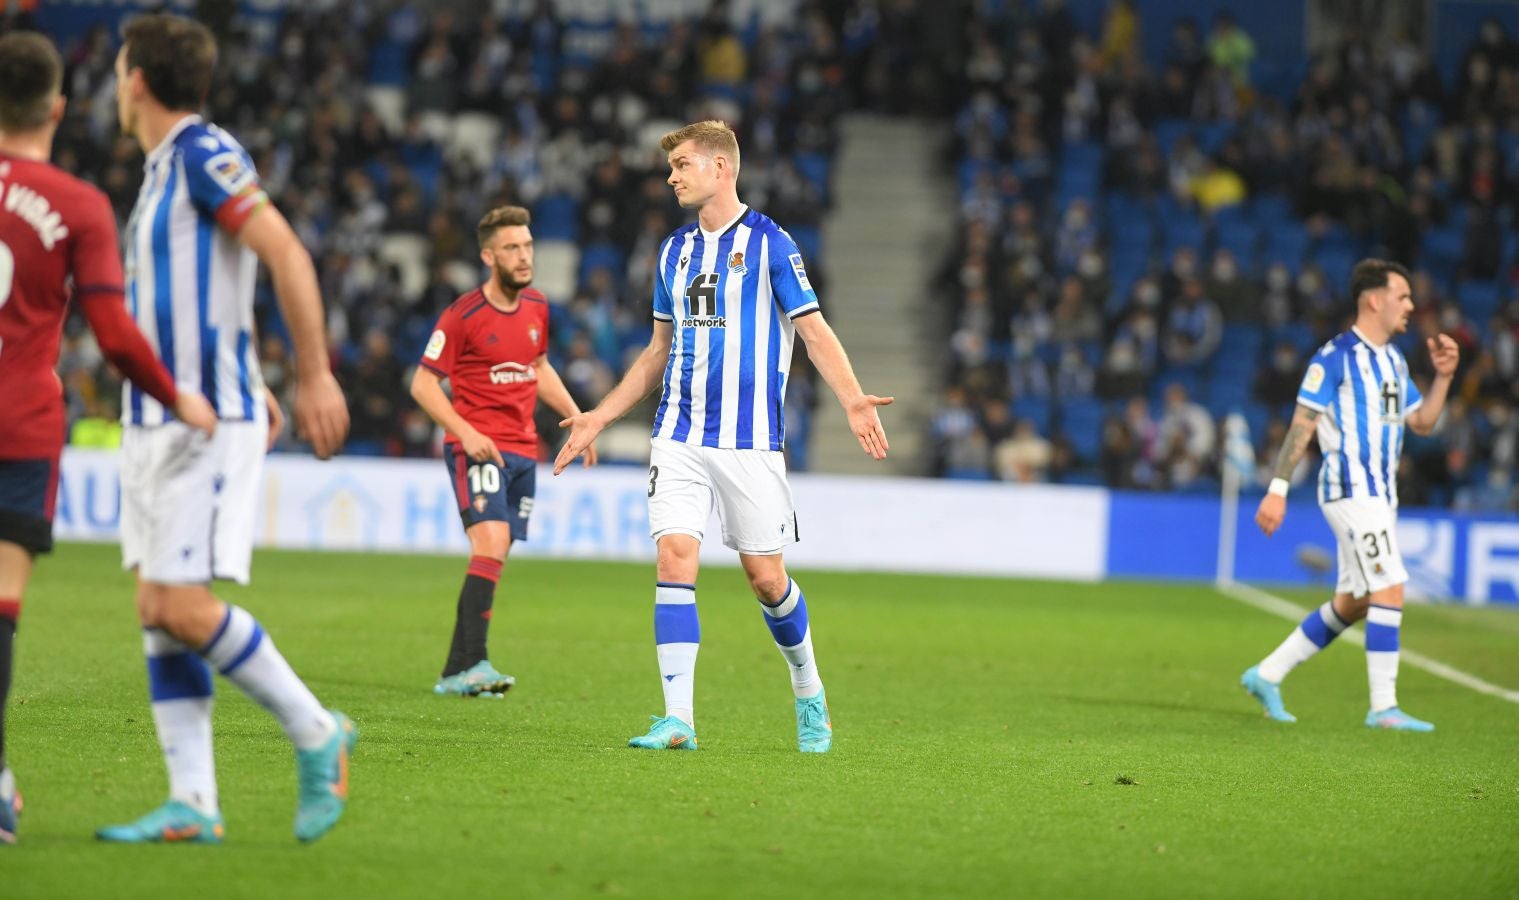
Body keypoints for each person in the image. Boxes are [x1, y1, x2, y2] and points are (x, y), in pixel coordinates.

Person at [95, 14, 354, 845]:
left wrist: (309, 373)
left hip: (203, 422)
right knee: (156, 605)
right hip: (163, 416)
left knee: (178, 602)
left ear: (136, 80)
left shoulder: (205, 154)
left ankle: (317, 731)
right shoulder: (164, 169)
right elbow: (208, 292)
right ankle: (194, 801)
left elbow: (284, 253)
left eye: (118, 67)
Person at [554, 120, 893, 753]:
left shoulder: (771, 244)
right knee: (673, 558)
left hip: (749, 440)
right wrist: (600, 415)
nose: (672, 176)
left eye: (682, 164)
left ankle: (808, 689)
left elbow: (813, 330)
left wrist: (852, 399)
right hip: (677, 434)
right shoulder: (672, 252)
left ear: (721, 167)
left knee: (766, 579)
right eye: (671, 167)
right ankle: (678, 718)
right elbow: (657, 351)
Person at [0, 31, 218, 846]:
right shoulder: (78, 204)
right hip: (17, 425)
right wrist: (178, 397)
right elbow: (115, 334)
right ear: (59, 108)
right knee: (2, 609)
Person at [1243, 259, 1457, 732]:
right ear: (1374, 299)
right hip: (1349, 489)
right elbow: (1303, 423)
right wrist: (1277, 490)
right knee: (1390, 587)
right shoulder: (1335, 356)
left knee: (1354, 602)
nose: (1411, 305)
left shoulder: (1394, 361)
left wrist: (1443, 378)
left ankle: (1266, 674)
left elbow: (1421, 424)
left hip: (1382, 496)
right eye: (1403, 296)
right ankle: (1384, 708)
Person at [410, 205, 594, 697]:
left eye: (528, 245)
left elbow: (537, 366)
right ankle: (476, 664)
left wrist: (580, 416)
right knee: (490, 545)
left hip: (521, 452)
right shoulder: (462, 315)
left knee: (493, 556)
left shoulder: (536, 305)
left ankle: (456, 669)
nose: (524, 255)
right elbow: (423, 385)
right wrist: (464, 431)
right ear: (489, 256)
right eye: (512, 247)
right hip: (479, 447)